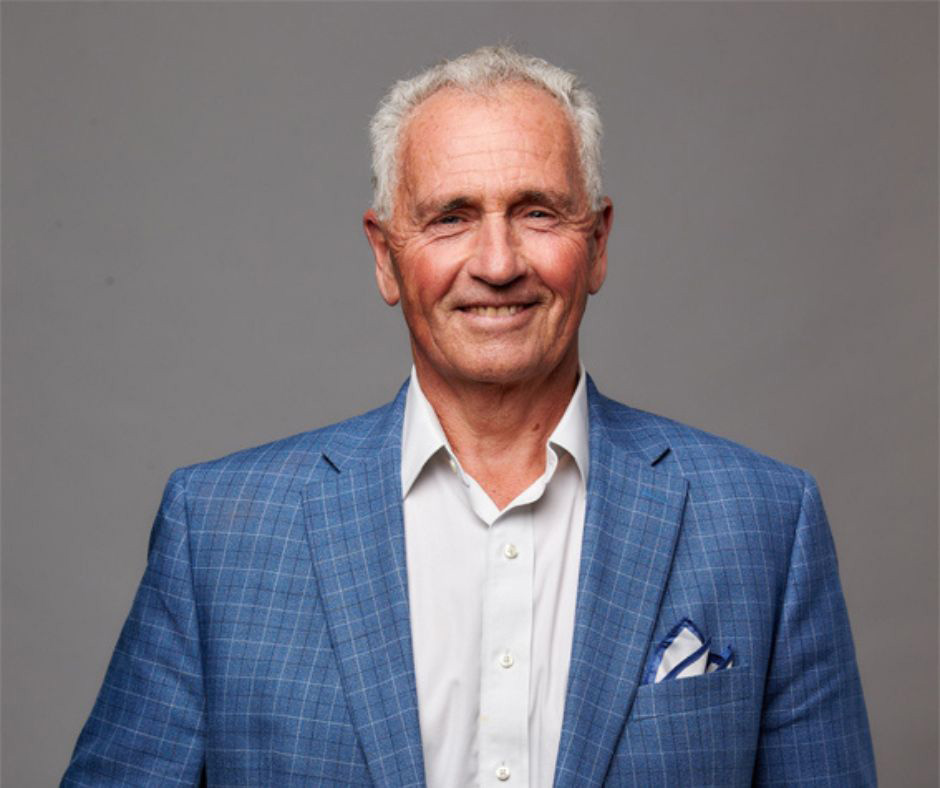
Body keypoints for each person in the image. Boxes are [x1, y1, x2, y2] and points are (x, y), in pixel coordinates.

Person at [62, 46, 875, 787]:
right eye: (451, 215)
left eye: (538, 212)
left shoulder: (765, 522)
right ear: (386, 256)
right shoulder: (221, 533)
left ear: (596, 245)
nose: (496, 263)